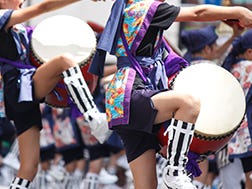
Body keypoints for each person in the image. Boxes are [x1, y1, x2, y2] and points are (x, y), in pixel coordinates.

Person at [89, 1, 252, 189]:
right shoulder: (146, 8)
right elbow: (199, 12)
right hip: (131, 94)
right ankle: (175, 170)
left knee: (147, 185)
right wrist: (238, 11)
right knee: (188, 103)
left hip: (122, 103)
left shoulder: (133, 10)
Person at [0, 0, 109, 188]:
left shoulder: (17, 26)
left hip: (24, 91)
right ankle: (94, 118)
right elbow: (43, 7)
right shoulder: (1, 16)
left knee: (29, 168)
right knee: (64, 60)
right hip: (18, 85)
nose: (22, 0)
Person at [180, 24, 244, 189]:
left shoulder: (183, 67)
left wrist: (232, 37)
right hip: (205, 132)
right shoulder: (212, 70)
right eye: (215, 45)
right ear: (207, 49)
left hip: (181, 130)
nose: (218, 48)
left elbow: (217, 54)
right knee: (200, 170)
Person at [220, 29, 252, 189]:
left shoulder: (232, 66)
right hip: (248, 133)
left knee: (240, 180)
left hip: (233, 135)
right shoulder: (249, 67)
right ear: (249, 52)